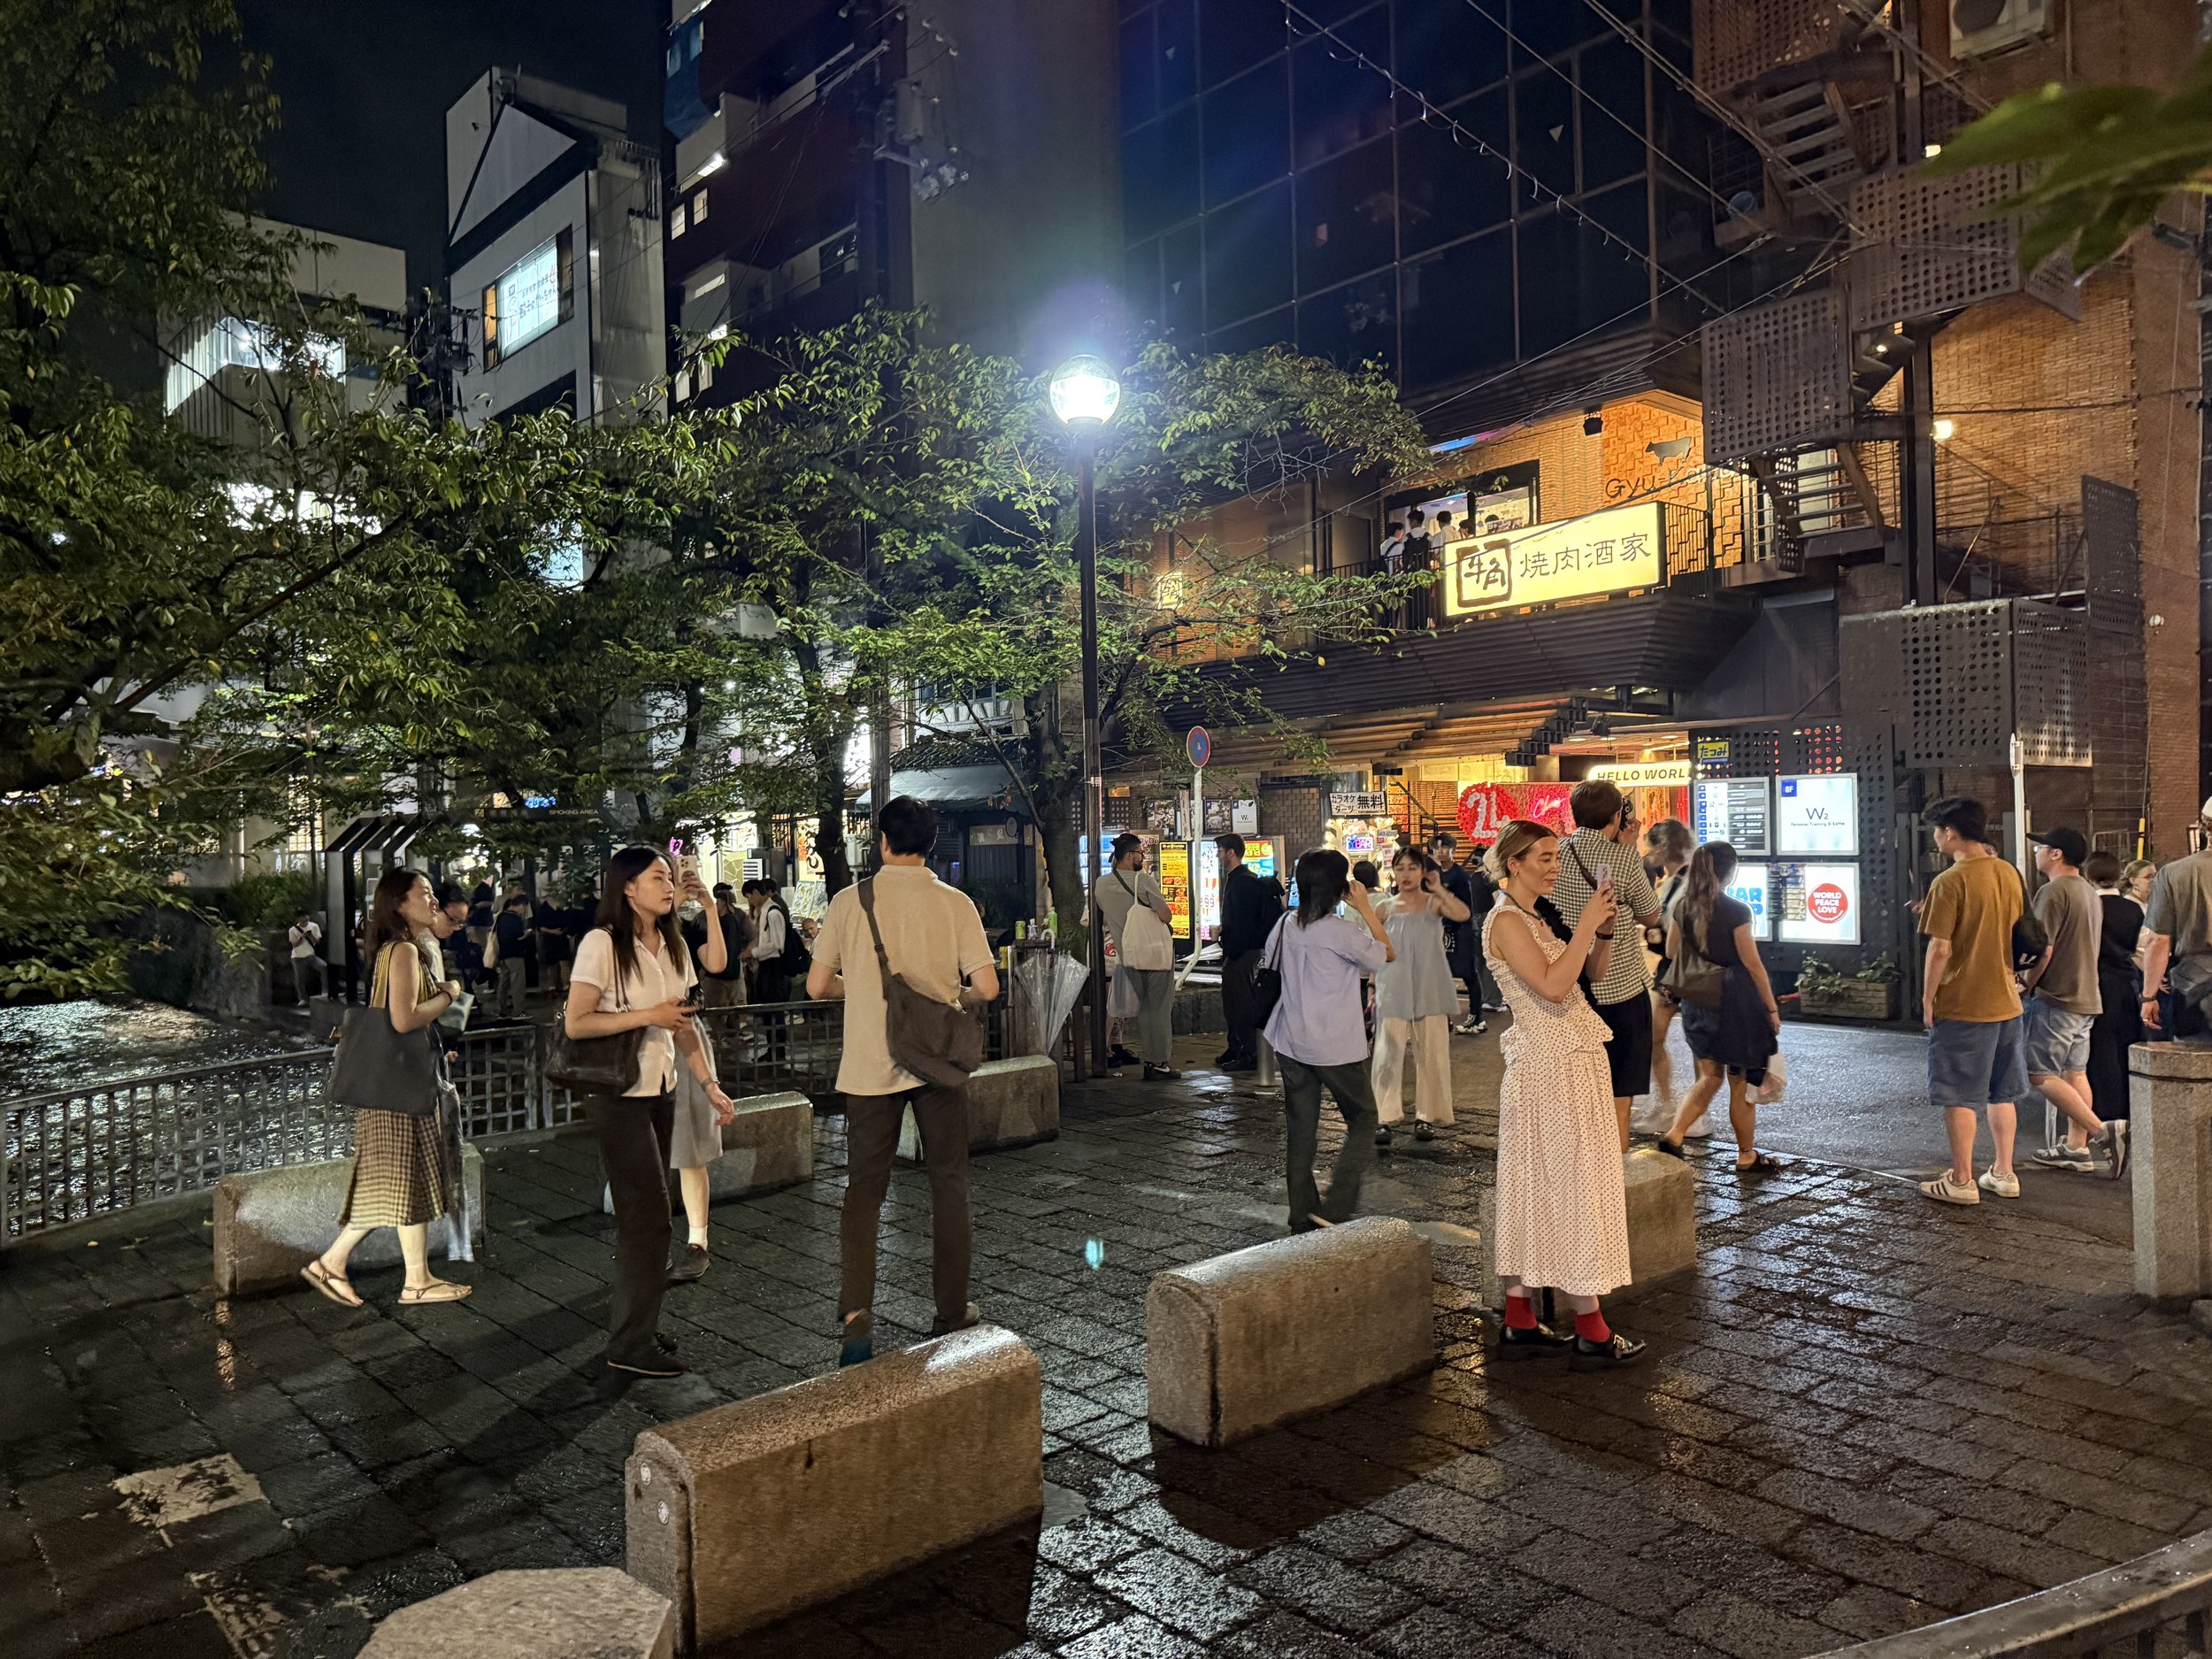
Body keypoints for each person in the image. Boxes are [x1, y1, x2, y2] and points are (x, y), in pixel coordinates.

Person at [807, 796, 998, 1366]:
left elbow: (817, 986)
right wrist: (947, 996)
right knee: (949, 1183)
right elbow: (987, 987)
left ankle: (856, 1316)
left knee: (864, 1191)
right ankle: (951, 1309)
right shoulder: (955, 903)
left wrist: (867, 989)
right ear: (931, 844)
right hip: (937, 1063)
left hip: (869, 1067)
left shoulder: (849, 901)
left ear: (883, 842)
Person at [565, 847, 735, 1377]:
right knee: (649, 1218)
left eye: (670, 877)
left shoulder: (673, 945)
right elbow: (577, 1022)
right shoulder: (602, 943)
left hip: (661, 1090)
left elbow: (681, 1025)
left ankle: (637, 1325)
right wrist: (648, 1015)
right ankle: (630, 1345)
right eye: (658, 877)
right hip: (618, 1094)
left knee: (648, 1218)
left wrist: (708, 1084)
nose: (669, 885)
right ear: (628, 887)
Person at [1482, 818, 1642, 1370]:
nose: (1554, 867)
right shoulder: (1506, 920)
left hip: (1566, 1063)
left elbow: (1584, 976)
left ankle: (1521, 1318)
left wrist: (1602, 932)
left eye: (1555, 856)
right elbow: (1551, 988)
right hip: (1550, 1069)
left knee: (1538, 1186)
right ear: (1514, 864)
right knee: (1571, 1188)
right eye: (1545, 858)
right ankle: (1591, 1329)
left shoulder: (1533, 916)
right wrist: (1585, 926)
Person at [300, 870, 472, 1309]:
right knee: (394, 1181)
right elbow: (403, 1019)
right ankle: (335, 1263)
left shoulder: (401, 949)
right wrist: (450, 994)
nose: (434, 901)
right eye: (425, 893)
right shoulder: (403, 951)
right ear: (399, 903)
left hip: (400, 1083)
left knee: (403, 1181)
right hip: (397, 1089)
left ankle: (415, 1279)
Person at [1263, 849, 1392, 1233]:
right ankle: (1336, 1206)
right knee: (1364, 1117)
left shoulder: (1286, 924)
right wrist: (1365, 908)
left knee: (1301, 1129)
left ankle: (1301, 1213)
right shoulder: (1340, 930)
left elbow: (1270, 963)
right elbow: (1387, 954)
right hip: (1334, 1044)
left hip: (1291, 1039)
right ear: (1339, 887)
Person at [1917, 796, 2029, 1206]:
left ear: (1950, 832)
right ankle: (2004, 1172)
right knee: (2003, 1092)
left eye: (1937, 831)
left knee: (1959, 1094)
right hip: (2008, 1001)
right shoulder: (2008, 872)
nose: (1935, 838)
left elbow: (1940, 948)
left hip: (1965, 1004)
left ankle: (1962, 1179)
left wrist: (1928, 997)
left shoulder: (1950, 881)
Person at [1550, 780, 1665, 1149]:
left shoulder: (1556, 852)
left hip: (1571, 986)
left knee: (1578, 1092)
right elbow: (1651, 915)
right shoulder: (1625, 858)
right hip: (1621, 991)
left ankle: (1580, 1166)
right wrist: (1628, 851)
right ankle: (1615, 1170)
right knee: (1618, 1093)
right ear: (1618, 816)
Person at [1655, 841, 1781, 1171]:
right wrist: (1771, 1009)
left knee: (1710, 1076)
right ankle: (1746, 1155)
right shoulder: (1736, 911)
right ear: (1729, 872)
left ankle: (1675, 1134)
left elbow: (1671, 952)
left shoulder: (1683, 906)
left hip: (1697, 1002)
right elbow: (1752, 964)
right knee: (1740, 1083)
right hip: (1734, 1005)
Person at [2022, 828, 2127, 1178]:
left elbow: (2043, 949)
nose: (2036, 852)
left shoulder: (2053, 891)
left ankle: (2102, 1133)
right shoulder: (2087, 891)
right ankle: (2075, 1147)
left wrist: (2026, 983)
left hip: (2058, 996)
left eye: (2040, 847)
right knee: (2075, 1071)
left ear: (2056, 854)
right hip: (2086, 996)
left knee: (2039, 1073)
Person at [1371, 848, 1470, 1148]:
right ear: (1393, 871)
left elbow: (1463, 914)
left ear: (1423, 872)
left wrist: (1439, 889)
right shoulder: (1384, 908)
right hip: (1393, 986)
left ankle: (1426, 1114)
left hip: (1430, 987)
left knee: (1432, 1052)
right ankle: (1384, 1116)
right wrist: (1372, 988)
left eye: (1412, 867)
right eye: (1400, 868)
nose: (1406, 874)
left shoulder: (1433, 904)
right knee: (1387, 1054)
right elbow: (1376, 950)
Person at [1097, 833, 1179, 1080]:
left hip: (1129, 956)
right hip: (1155, 954)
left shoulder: (1101, 885)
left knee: (1145, 1009)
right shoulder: (1143, 881)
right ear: (1130, 855)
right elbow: (1166, 916)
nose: (1142, 858)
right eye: (1140, 854)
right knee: (1159, 1009)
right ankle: (1158, 1063)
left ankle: (1151, 1059)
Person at [2141, 799, 2212, 1045]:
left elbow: (2157, 940)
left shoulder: (2174, 874)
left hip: (2192, 988)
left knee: (2192, 1062)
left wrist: (2149, 996)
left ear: (2204, 827)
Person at [1641, 818, 1695, 1129]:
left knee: (1697, 1042)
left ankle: (1692, 1111)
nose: (1647, 852)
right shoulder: (1670, 882)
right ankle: (1666, 1104)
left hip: (1687, 969)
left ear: (1663, 847)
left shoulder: (1689, 882)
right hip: (1669, 969)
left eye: (1650, 846)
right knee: (1654, 1037)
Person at [2084, 850, 2144, 1127]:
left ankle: (2105, 1112)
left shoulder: (2089, 906)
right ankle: (2128, 1109)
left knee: (2100, 1049)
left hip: (2096, 982)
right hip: (2126, 982)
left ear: (2089, 875)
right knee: (2124, 1045)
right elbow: (2140, 948)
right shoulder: (2133, 909)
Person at [1215, 833, 1284, 1073]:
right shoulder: (1241, 879)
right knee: (1235, 1001)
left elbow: (1244, 923)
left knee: (1240, 1002)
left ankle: (1250, 1052)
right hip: (1243, 950)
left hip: (1243, 953)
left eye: (1220, 851)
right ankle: (1237, 1047)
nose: (1218, 855)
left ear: (1231, 853)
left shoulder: (1242, 882)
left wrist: (1232, 947)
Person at [1429, 830, 1495, 1034]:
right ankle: (1445, 1018)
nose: (1441, 851)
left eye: (1445, 847)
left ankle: (1476, 1018)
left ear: (1453, 850)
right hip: (1441, 930)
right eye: (1437, 848)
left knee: (1468, 973)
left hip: (1462, 930)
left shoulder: (1459, 875)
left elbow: (1467, 908)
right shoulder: (1436, 874)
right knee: (1442, 974)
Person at [703, 883, 752, 1010]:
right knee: (733, 1011)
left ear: (723, 902)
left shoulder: (722, 922)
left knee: (718, 1013)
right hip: (734, 973)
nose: (716, 904)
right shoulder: (736, 918)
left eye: (718, 901)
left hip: (720, 976)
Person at [492, 895, 532, 1018]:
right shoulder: (515, 918)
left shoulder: (501, 916)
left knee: (503, 982)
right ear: (521, 906)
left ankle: (502, 1009)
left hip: (503, 954)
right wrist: (527, 933)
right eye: (524, 908)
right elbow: (518, 936)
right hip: (515, 954)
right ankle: (518, 1011)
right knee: (517, 983)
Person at [288, 910, 325, 1004]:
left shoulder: (314, 926)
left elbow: (318, 942)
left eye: (305, 917)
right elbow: (294, 944)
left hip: (311, 955)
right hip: (298, 957)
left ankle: (325, 990)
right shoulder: (293, 930)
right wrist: (302, 937)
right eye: (302, 918)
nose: (304, 920)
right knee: (300, 978)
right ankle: (303, 998)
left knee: (324, 967)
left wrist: (311, 935)